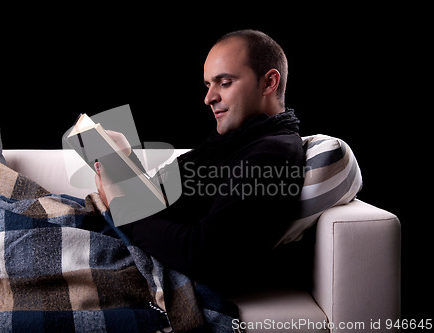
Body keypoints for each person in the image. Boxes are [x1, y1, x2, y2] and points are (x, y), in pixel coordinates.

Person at [95, 30, 306, 294]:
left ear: (268, 83)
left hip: (141, 251)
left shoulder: (273, 155)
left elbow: (203, 253)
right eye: (208, 85)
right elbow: (172, 204)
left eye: (225, 82)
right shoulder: (236, 140)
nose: (209, 98)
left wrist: (121, 207)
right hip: (126, 232)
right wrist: (127, 161)